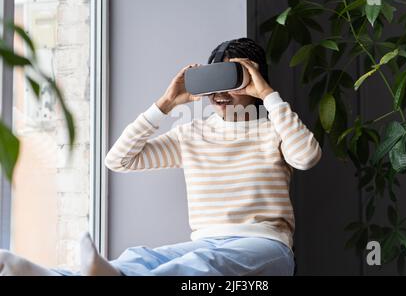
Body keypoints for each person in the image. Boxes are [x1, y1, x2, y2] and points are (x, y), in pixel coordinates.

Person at [0, 38, 321, 276]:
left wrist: (268, 95)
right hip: (206, 241)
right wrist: (166, 103)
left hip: (266, 247)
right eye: (214, 80)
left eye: (233, 79)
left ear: (254, 80)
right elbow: (119, 160)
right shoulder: (192, 134)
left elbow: (306, 157)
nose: (220, 93)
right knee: (142, 258)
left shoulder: (275, 128)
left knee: (199, 267)